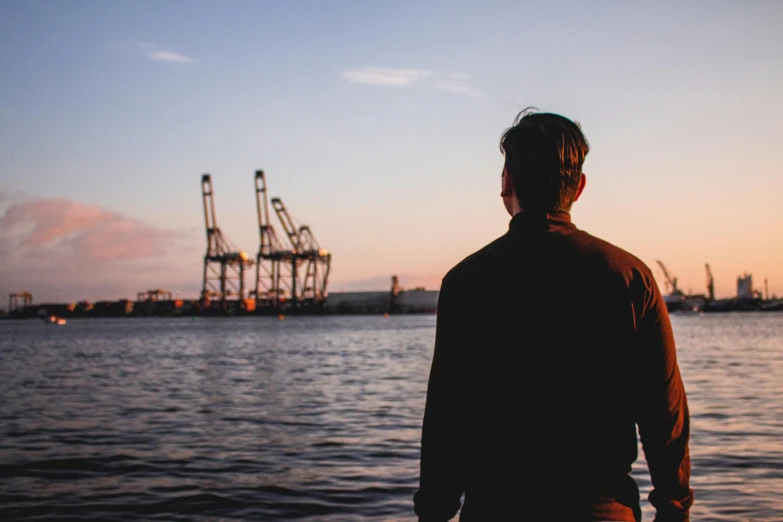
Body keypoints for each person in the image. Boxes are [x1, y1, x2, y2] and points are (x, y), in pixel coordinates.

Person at [413, 108, 693, 521]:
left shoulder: (466, 281)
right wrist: (673, 508)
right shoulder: (631, 277)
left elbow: (447, 418)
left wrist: (434, 513)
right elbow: (664, 411)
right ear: (578, 187)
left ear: (506, 181)